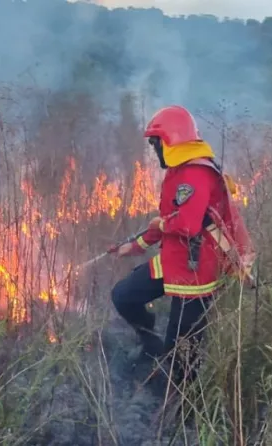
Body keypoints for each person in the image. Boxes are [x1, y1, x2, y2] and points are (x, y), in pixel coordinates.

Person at [109, 105, 254, 393]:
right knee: (124, 295)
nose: (154, 150)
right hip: (173, 260)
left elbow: (186, 225)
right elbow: (168, 222)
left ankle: (179, 405)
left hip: (196, 270)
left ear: (170, 141)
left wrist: (158, 225)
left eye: (156, 144)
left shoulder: (195, 174)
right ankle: (151, 343)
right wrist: (134, 246)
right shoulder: (180, 170)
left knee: (182, 352)